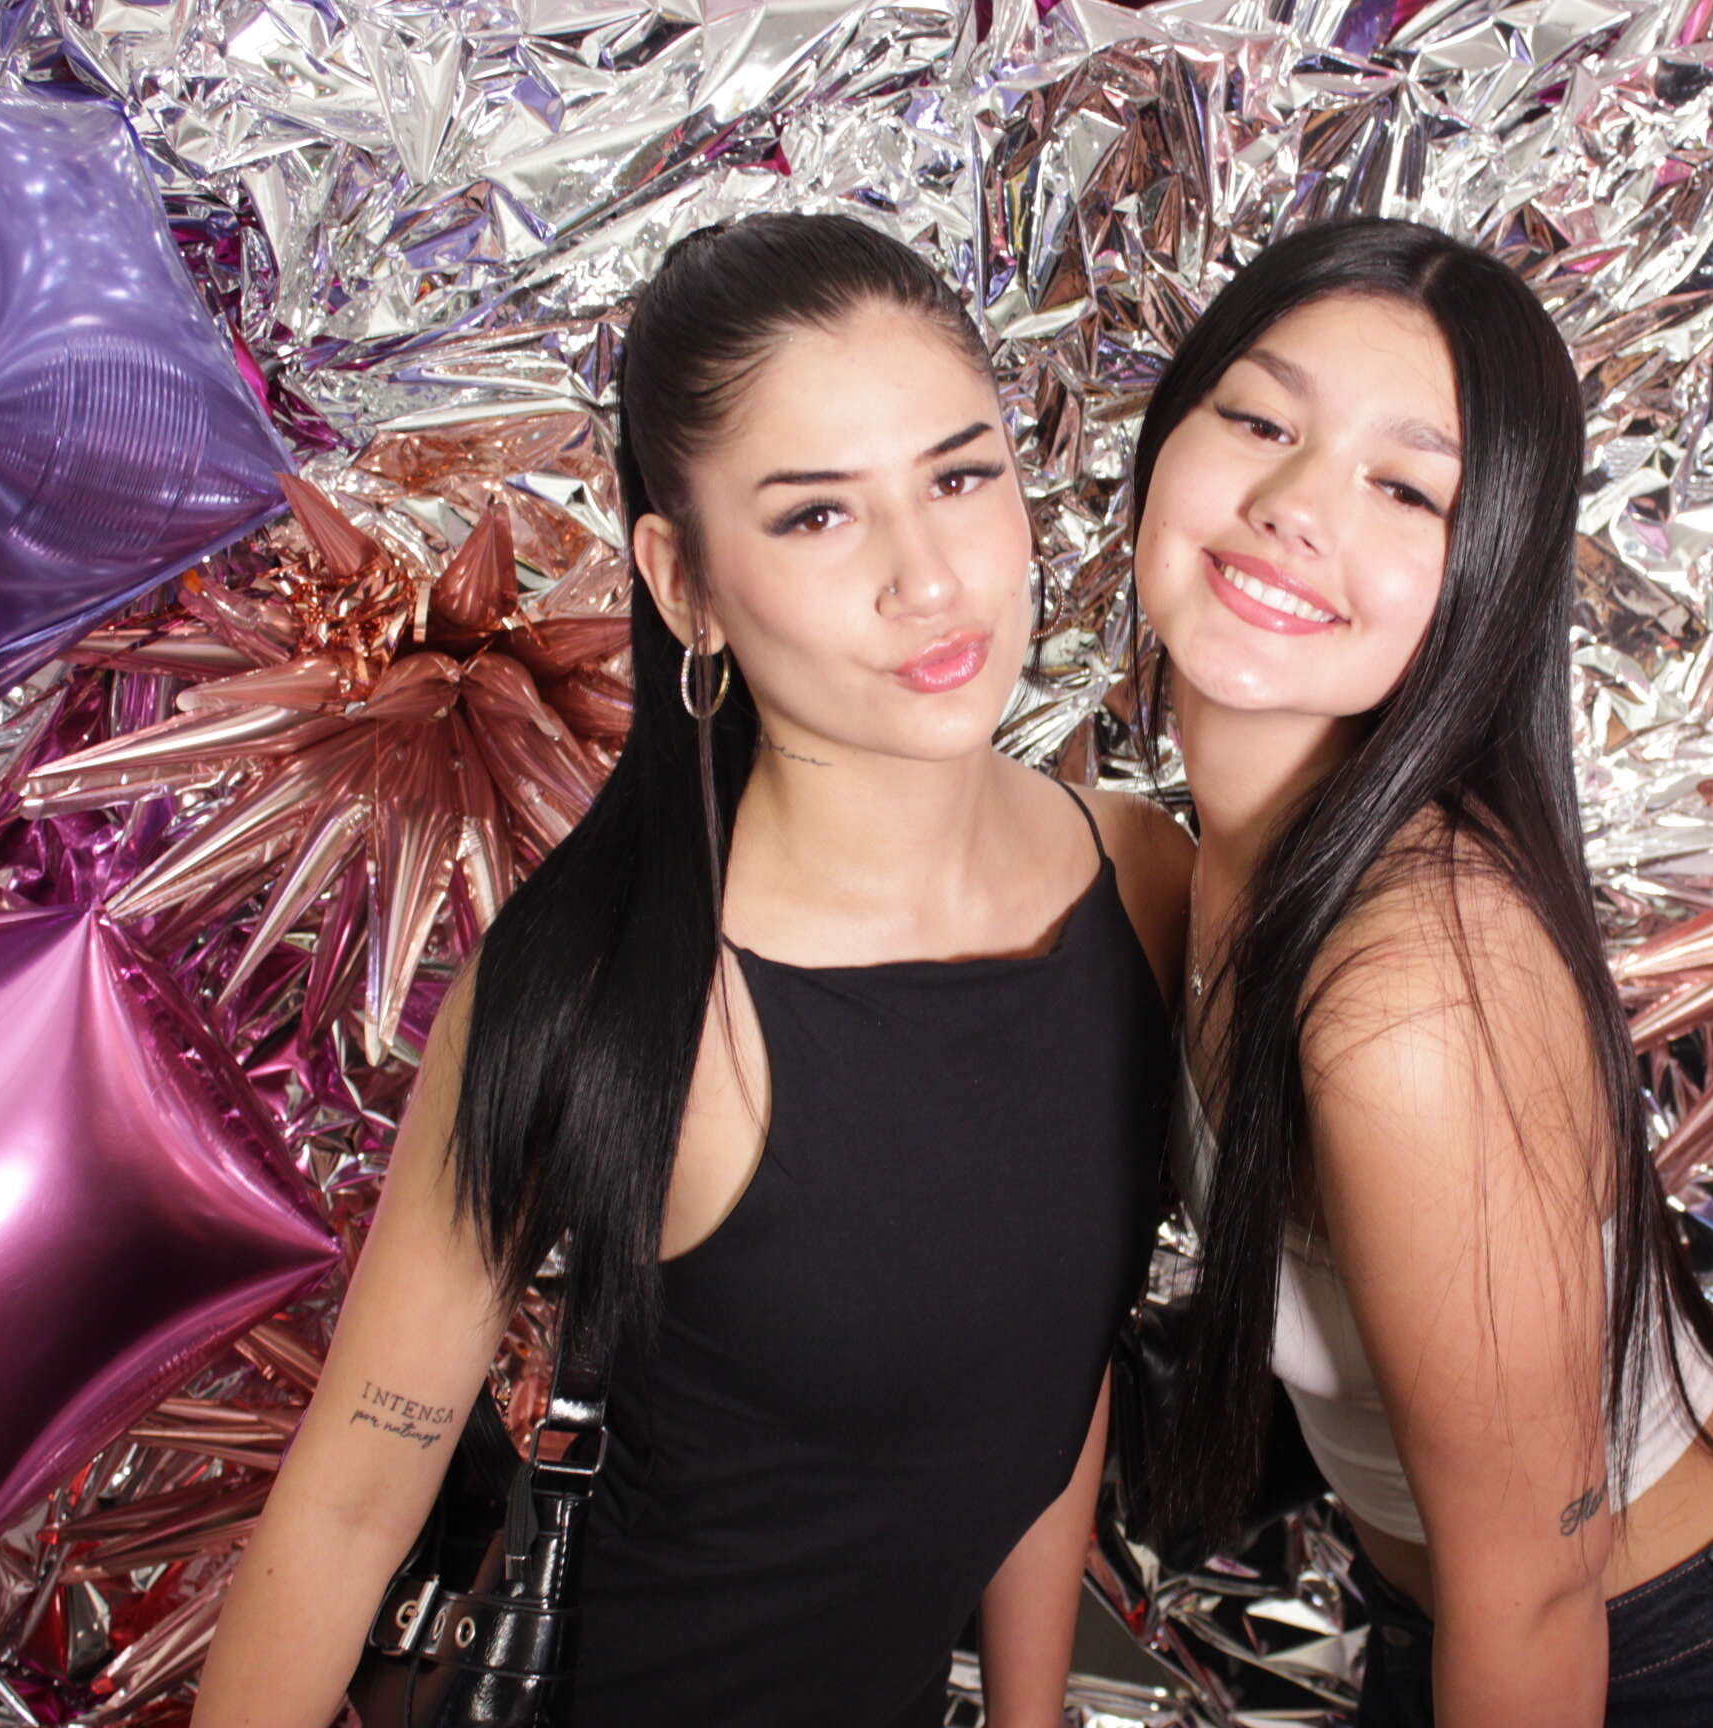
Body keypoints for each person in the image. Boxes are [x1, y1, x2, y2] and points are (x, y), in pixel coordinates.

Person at [192, 213, 1190, 1728]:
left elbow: (1054, 1368)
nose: (930, 580)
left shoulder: (1140, 879)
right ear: (684, 582)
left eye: (960, 475)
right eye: (817, 515)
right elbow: (346, 1508)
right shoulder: (608, 987)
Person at [1130, 216, 1713, 1727]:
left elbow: (1538, 1592)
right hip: (1467, 1621)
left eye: (1406, 487)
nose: (1294, 507)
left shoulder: (1410, 995)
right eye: (1256, 420)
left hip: (1691, 1667)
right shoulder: (1178, 864)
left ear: (1491, 568)